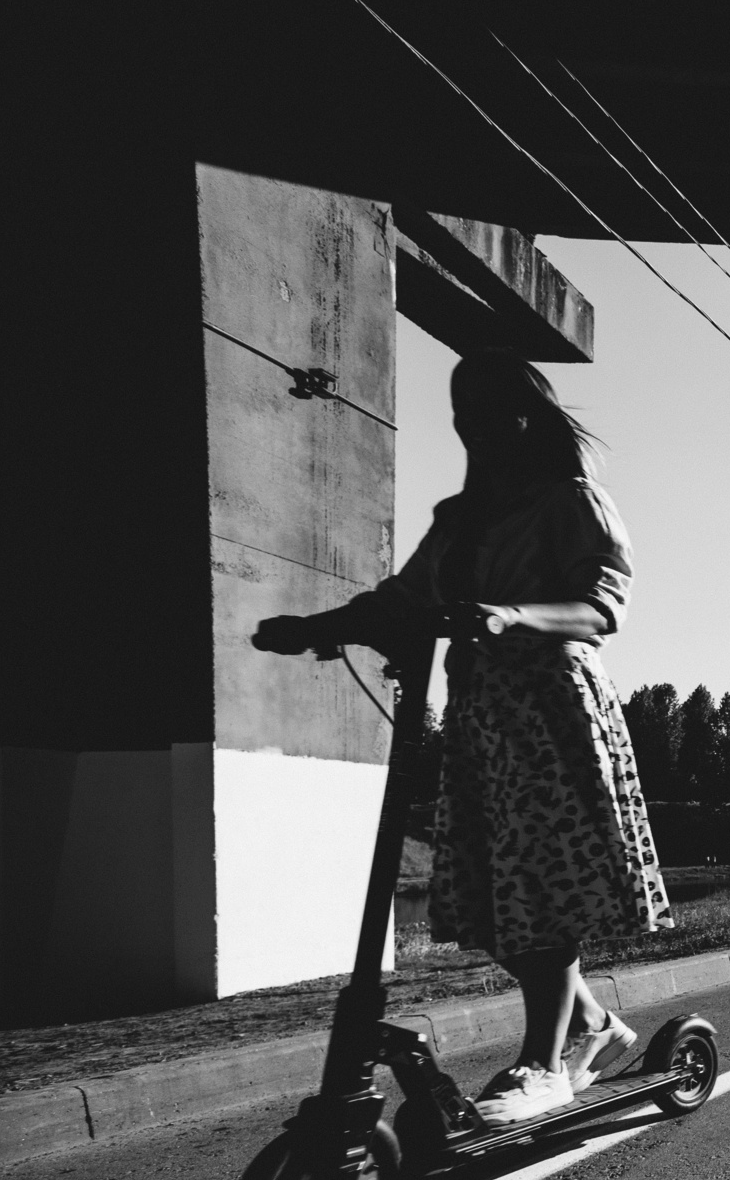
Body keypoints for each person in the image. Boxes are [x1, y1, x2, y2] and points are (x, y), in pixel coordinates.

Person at [255, 350, 672, 1129]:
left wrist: (516, 617)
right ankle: (589, 1026)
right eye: (459, 412)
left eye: (484, 408)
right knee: (491, 900)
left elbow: (602, 606)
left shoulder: (571, 501)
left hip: (551, 714)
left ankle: (545, 1064)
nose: (469, 425)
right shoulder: (459, 519)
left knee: (538, 893)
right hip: (482, 716)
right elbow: (402, 600)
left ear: (524, 415)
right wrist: (318, 627)